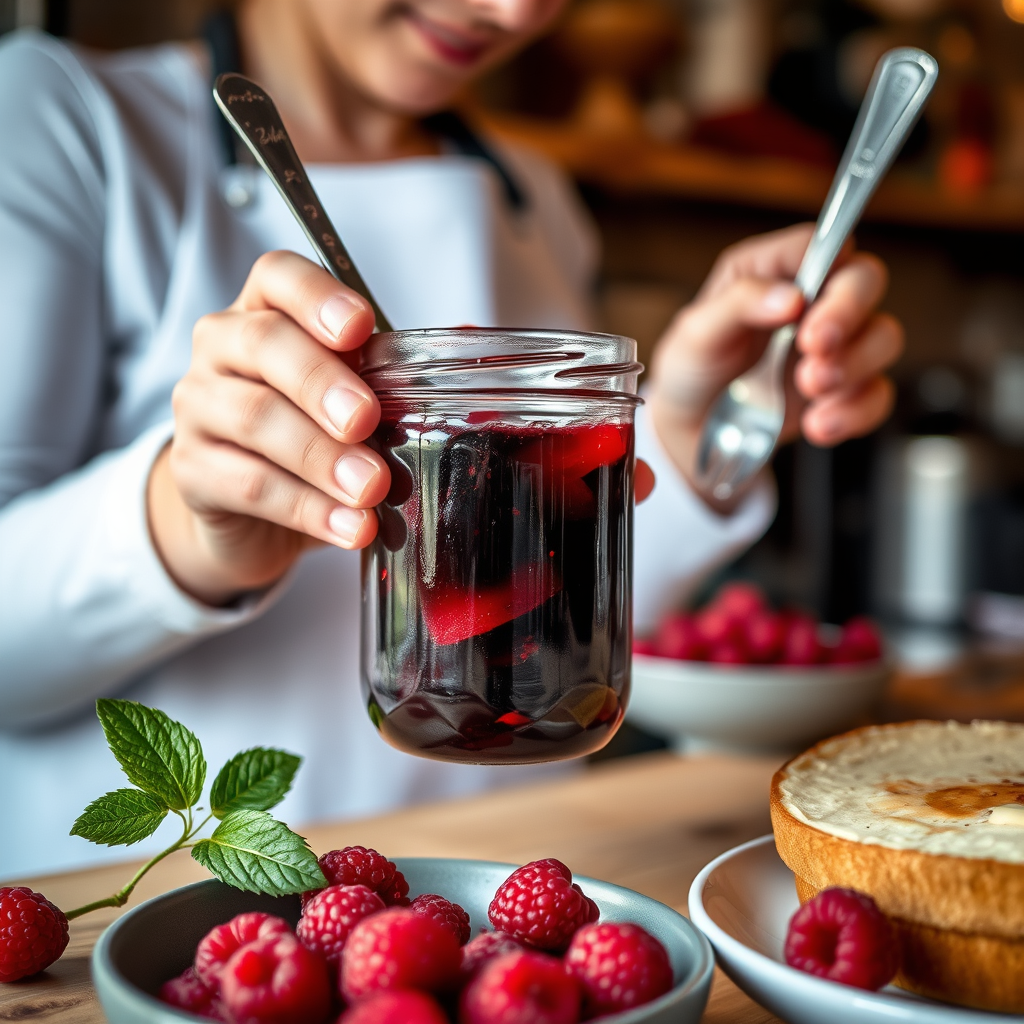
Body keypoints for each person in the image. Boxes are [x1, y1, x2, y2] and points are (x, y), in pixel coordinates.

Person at [0, 0, 903, 880]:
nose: (513, 11)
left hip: (500, 887)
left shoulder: (538, 198)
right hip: (151, 907)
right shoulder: (59, 117)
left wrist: (682, 426)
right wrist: (175, 523)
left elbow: (554, 579)